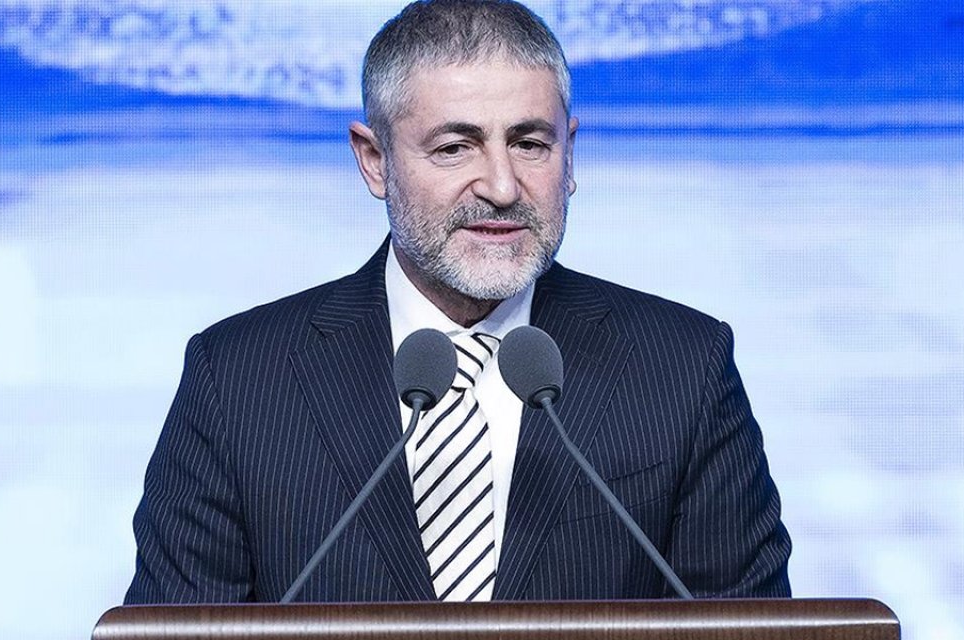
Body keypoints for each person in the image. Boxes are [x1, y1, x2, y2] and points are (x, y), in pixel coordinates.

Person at [126, 0, 790, 604]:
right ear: (374, 161)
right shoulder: (237, 377)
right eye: (454, 147)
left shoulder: (684, 366)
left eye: (530, 144)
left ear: (570, 154)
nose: (502, 186)